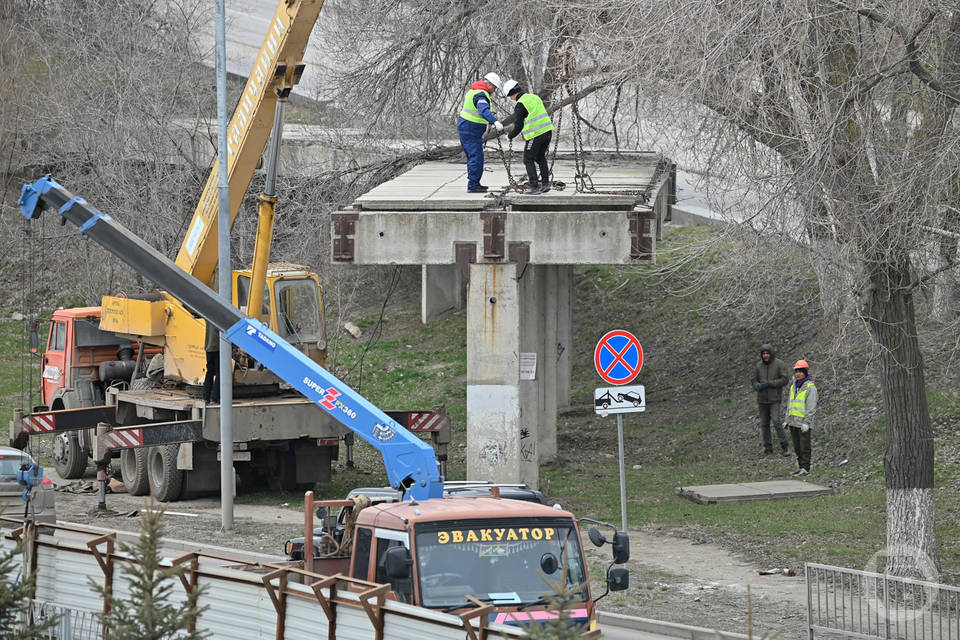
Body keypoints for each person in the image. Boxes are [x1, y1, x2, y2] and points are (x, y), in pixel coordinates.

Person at [502, 79, 554, 195]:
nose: (510, 98)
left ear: (512, 93)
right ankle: (545, 184)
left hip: (536, 135)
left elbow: (518, 126)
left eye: (509, 96)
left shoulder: (520, 104)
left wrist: (510, 136)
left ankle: (534, 186)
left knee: (528, 159)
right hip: (547, 132)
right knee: (540, 157)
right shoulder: (534, 97)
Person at [457, 72, 504, 193]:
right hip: (470, 129)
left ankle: (474, 182)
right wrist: (494, 121)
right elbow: (483, 110)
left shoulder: (474, 91)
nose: (494, 90)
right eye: (494, 87)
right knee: (476, 157)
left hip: (468, 128)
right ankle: (473, 185)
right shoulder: (481, 95)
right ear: (489, 84)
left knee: (473, 157)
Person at [752, 344, 790, 456]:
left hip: (775, 398)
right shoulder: (758, 366)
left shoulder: (779, 364)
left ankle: (785, 446)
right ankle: (768, 449)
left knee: (776, 421)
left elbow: (784, 379)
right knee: (764, 424)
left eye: (767, 353)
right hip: (762, 399)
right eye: (763, 354)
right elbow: (753, 380)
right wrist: (757, 386)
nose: (765, 355)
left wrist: (770, 383)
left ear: (771, 354)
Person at [785, 360, 817, 476]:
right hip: (793, 422)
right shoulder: (794, 386)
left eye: (800, 371)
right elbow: (790, 404)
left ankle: (805, 468)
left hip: (803, 423)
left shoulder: (810, 387)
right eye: (796, 371)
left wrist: (807, 422)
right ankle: (800, 467)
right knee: (797, 447)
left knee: (805, 447)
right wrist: (787, 420)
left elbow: (811, 407)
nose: (797, 374)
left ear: (805, 372)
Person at [202, 320, 220, 404]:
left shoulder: (209, 316)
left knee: (210, 372)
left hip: (208, 347)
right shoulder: (221, 315)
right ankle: (215, 398)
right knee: (220, 373)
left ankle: (206, 397)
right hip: (218, 347)